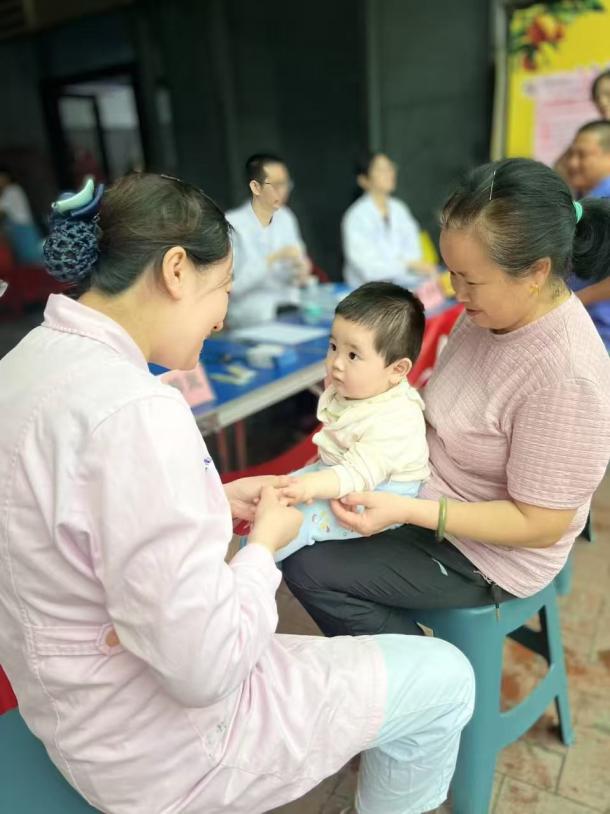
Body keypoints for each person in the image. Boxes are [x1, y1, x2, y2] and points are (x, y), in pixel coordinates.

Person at [0, 172, 475, 814]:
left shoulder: (23, 362)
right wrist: (262, 552)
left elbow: (72, 522)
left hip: (71, 706)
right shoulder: (135, 412)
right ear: (176, 271)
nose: (222, 315)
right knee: (447, 676)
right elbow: (207, 668)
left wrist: (211, 500)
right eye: (223, 287)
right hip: (161, 744)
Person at [283, 157, 610, 641]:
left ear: (536, 272)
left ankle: (427, 677)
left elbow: (540, 523)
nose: (457, 294)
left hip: (487, 551)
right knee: (291, 518)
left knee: (310, 567)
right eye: (453, 273)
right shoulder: (488, 313)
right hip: (424, 484)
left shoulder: (566, 376)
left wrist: (407, 511)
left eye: (470, 281)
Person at [275, 281, 429, 562]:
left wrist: (309, 486)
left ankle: (254, 575)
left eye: (353, 355)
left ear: (397, 370)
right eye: (333, 346)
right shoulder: (358, 385)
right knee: (273, 497)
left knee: (284, 528)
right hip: (342, 469)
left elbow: (355, 476)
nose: (336, 362)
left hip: (378, 492)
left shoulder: (396, 420)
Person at [226, 152, 313, 327]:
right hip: (251, 311)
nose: (284, 190)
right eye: (277, 185)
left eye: (286, 184)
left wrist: (301, 269)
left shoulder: (286, 216)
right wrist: (272, 259)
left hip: (290, 303)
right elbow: (232, 287)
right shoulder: (232, 223)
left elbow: (298, 266)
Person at [341, 151, 435, 289]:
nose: (390, 173)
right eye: (381, 169)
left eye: (390, 167)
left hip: (404, 286)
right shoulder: (356, 217)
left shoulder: (400, 209)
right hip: (367, 293)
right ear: (364, 180)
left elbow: (414, 253)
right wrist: (406, 265)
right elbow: (368, 269)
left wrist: (411, 266)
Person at [566, 120, 610, 348]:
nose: (573, 163)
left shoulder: (604, 202)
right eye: (571, 154)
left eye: (582, 155)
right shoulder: (585, 200)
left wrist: (572, 303)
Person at [0, 166, 43, 264]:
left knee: (33, 260)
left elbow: (2, 213)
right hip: (18, 230)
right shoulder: (8, 192)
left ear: (7, 177)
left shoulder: (12, 190)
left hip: (23, 229)